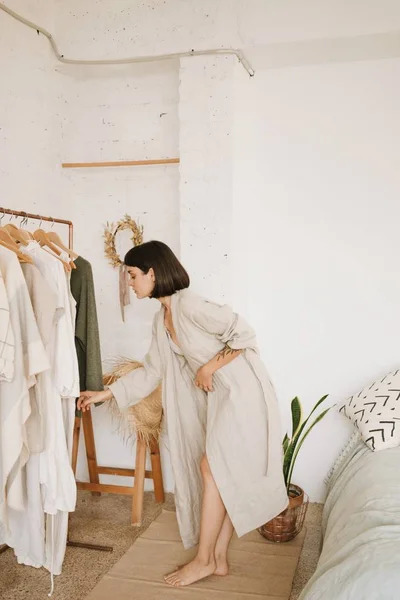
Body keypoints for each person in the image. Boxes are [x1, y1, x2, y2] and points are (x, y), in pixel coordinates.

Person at [78, 241, 288, 588]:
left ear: (152, 273)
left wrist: (208, 368)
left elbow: (244, 334)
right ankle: (217, 559)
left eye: (132, 275)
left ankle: (204, 559)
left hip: (243, 392)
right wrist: (106, 393)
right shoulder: (162, 319)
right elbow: (152, 371)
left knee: (212, 467)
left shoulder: (189, 305)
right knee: (218, 471)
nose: (130, 283)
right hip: (221, 396)